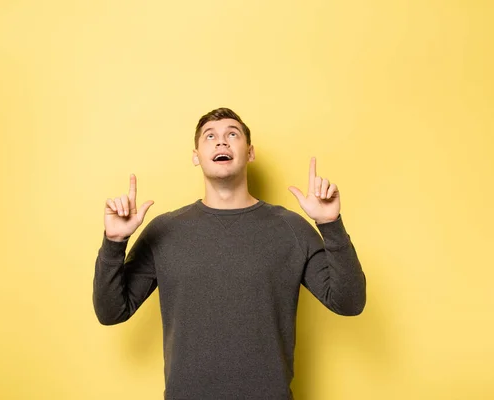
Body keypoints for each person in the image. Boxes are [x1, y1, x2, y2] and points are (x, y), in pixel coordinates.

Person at [93, 107, 366, 400]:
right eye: (210, 136)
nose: (221, 141)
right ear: (196, 155)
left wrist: (330, 224)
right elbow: (111, 312)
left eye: (232, 134)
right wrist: (114, 241)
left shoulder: (290, 228)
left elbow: (349, 303)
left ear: (249, 152)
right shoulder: (165, 231)